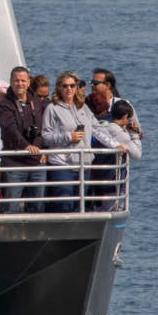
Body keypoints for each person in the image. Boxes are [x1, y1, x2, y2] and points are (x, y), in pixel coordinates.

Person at [41, 71, 96, 213]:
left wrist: (117, 143)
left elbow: (98, 128)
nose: (69, 89)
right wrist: (68, 136)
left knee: (81, 205)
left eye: (72, 85)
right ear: (59, 87)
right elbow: (46, 137)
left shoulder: (83, 108)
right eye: (65, 86)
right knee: (64, 204)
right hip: (62, 163)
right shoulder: (52, 108)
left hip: (84, 163)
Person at [0, 65, 48, 213]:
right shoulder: (4, 105)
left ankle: (36, 233)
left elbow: (42, 127)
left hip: (37, 162)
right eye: (16, 80)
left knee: (38, 206)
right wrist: (26, 146)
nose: (20, 83)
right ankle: (7, 231)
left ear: (29, 82)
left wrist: (41, 148)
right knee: (11, 206)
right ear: (11, 82)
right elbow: (10, 129)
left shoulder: (37, 102)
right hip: (14, 162)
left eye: (23, 80)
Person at [90, 99, 142, 211]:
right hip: (112, 181)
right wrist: (134, 134)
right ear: (125, 116)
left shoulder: (102, 126)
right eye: (128, 118)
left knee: (98, 208)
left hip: (97, 178)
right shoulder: (120, 134)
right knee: (111, 210)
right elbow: (137, 155)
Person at [87, 67, 143, 136]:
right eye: (91, 82)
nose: (91, 85)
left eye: (95, 83)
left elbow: (140, 133)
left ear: (108, 85)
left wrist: (134, 129)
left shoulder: (124, 105)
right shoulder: (86, 104)